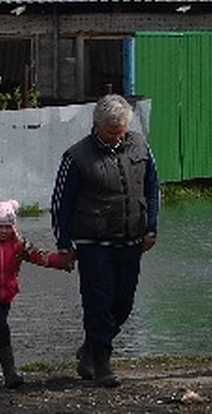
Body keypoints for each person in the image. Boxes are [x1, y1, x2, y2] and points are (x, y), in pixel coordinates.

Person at [51, 94, 159, 388]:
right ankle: (102, 364)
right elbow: (60, 203)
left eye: (121, 130)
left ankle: (90, 349)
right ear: (96, 125)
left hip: (130, 239)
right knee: (98, 303)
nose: (116, 136)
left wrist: (151, 227)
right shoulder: (76, 157)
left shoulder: (140, 145)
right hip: (92, 242)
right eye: (111, 131)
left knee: (122, 304)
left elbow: (152, 188)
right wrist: (63, 244)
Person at [0, 198, 74, 389]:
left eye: (7, 226)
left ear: (13, 226)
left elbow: (38, 256)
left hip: (5, 296)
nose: (4, 231)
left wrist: (60, 262)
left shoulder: (18, 244)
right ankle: (10, 374)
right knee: (1, 328)